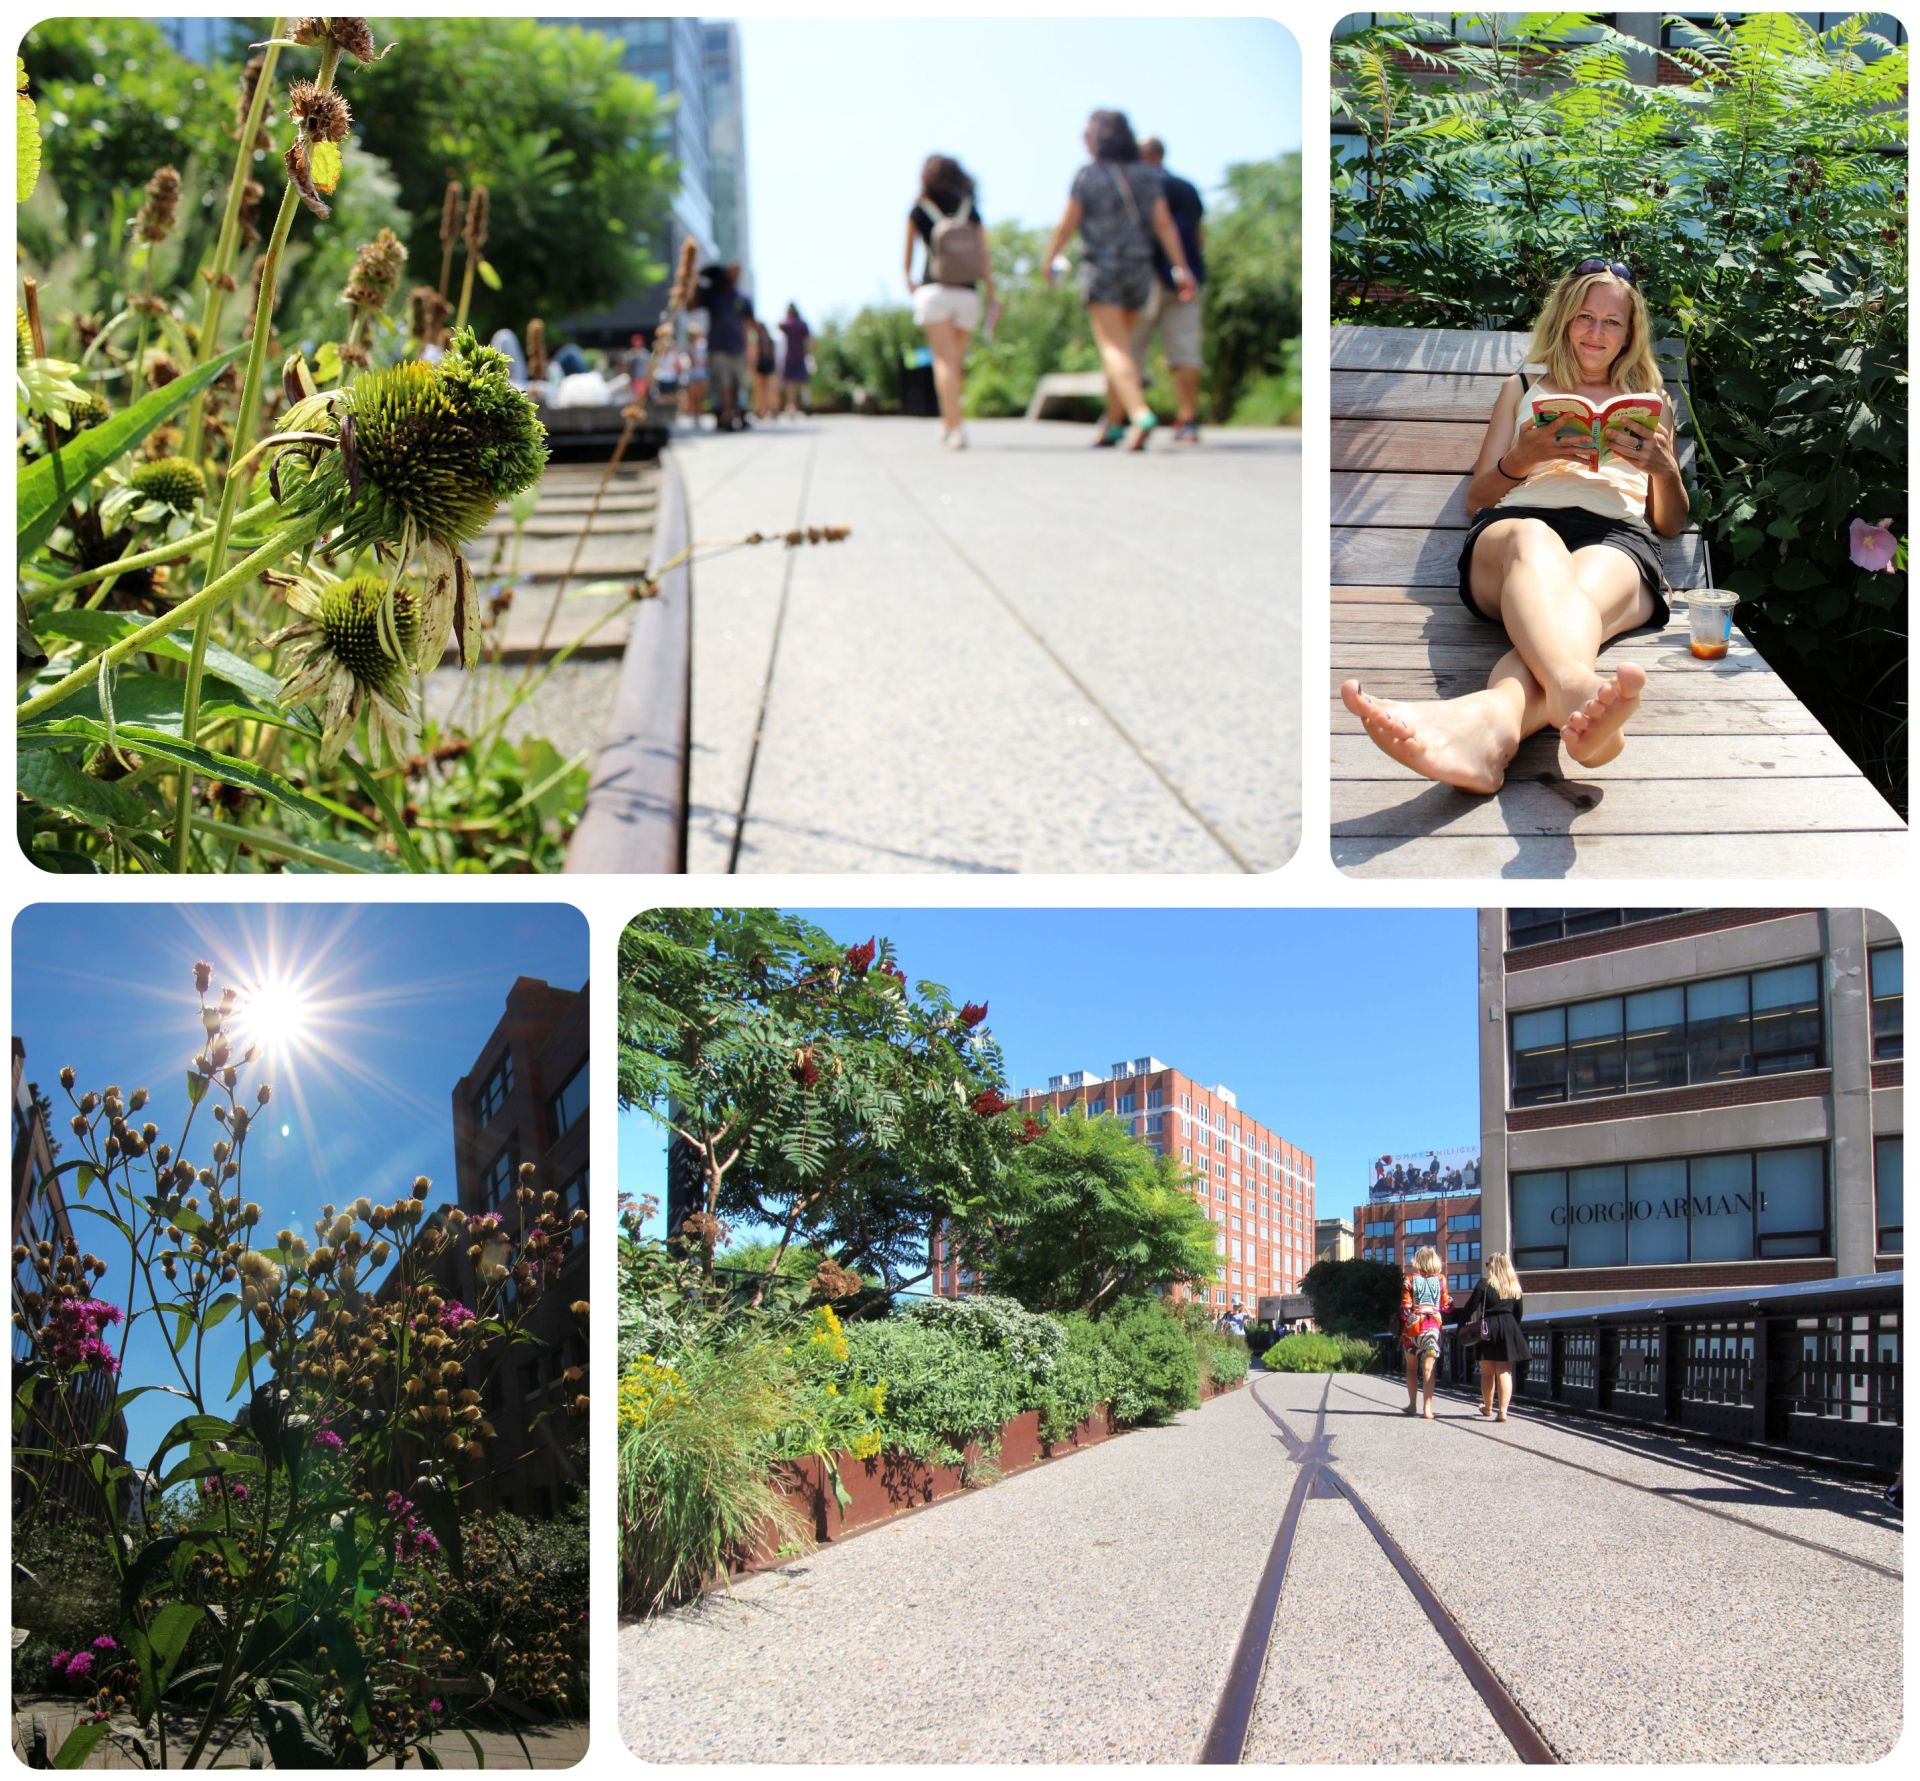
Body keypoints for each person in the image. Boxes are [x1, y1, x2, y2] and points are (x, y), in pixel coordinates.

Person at [1340, 258, 1689, 794]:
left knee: (1578, 596)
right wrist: (1523, 457)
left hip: (1615, 537)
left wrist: (1664, 469)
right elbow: (1478, 500)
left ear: (1629, 333)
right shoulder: (1523, 385)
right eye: (1585, 317)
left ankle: (1490, 727)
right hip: (1514, 534)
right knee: (1535, 538)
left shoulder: (1649, 400)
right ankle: (1574, 688)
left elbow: (1669, 523)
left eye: (1612, 322)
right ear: (1566, 320)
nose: (1596, 332)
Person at [1043, 109, 1196, 452]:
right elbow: (1164, 224)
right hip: (1139, 271)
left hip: (1102, 271)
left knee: (1113, 348)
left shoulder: (1087, 175)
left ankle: (1139, 414)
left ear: (1099, 139)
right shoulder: (1146, 175)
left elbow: (1066, 225)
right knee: (1123, 348)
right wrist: (1181, 268)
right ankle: (1112, 426)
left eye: (1086, 134)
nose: (1082, 140)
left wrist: (1049, 258)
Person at [906, 154, 997, 450]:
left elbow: (906, 259)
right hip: (966, 293)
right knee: (955, 361)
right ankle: (950, 422)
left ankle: (954, 426)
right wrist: (992, 293)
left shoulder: (920, 208)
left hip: (934, 290)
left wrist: (911, 286)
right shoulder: (970, 209)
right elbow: (984, 256)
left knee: (943, 362)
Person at [1133, 135, 1206, 444]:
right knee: (1185, 350)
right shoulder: (1188, 188)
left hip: (1145, 279)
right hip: (1187, 279)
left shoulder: (1139, 188)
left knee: (1132, 351)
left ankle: (1131, 417)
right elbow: (1200, 236)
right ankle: (1187, 421)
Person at [1457, 1253, 1526, 1422]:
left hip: (1487, 1328)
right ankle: (1503, 1412)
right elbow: (1519, 1312)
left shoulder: (1484, 1284)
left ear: (1493, 1266)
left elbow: (1470, 1306)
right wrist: (1511, 1327)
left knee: (1487, 1372)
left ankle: (1487, 1408)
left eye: (1488, 1263)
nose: (1487, 1266)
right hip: (1508, 1327)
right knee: (1504, 1372)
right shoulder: (1514, 1286)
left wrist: (1461, 1325)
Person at [695, 262, 748, 431]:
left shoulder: (741, 298)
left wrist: (751, 349)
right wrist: (695, 282)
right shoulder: (714, 295)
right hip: (718, 347)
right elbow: (690, 305)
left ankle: (737, 414)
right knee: (723, 384)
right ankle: (725, 415)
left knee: (737, 384)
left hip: (737, 347)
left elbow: (748, 324)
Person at [1399, 1245, 1450, 1420]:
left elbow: (1405, 1308)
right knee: (1429, 1369)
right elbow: (1446, 1305)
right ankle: (1427, 1409)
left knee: (1411, 1368)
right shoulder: (1441, 1280)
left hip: (1413, 1328)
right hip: (1432, 1328)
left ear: (1417, 1261)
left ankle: (1412, 1404)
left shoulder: (1409, 1279)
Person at [780, 303, 812, 417]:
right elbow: (808, 340)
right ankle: (805, 404)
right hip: (800, 356)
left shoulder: (787, 324)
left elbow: (779, 326)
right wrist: (809, 354)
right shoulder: (802, 324)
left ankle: (791, 407)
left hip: (790, 356)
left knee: (790, 384)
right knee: (802, 382)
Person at [748, 308, 778, 419]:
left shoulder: (758, 337)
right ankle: (764, 409)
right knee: (764, 389)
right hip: (765, 365)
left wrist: (752, 366)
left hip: (764, 364)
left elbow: (754, 353)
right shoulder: (764, 338)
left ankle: (765, 410)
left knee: (763, 389)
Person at [683, 331, 709, 426]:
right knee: (694, 396)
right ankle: (695, 416)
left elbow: (707, 357)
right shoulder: (690, 346)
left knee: (701, 395)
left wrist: (703, 362)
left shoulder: (703, 344)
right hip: (693, 374)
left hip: (703, 373)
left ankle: (699, 415)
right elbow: (691, 360)